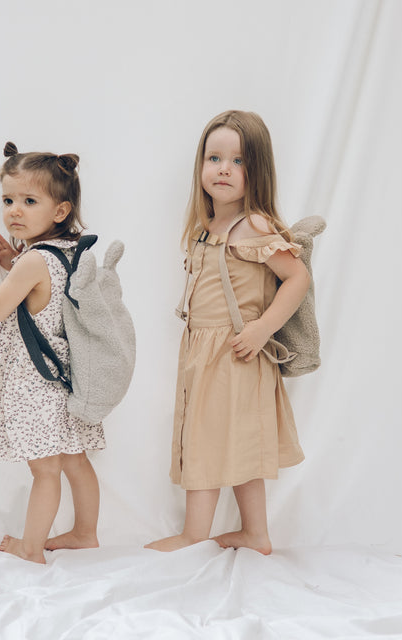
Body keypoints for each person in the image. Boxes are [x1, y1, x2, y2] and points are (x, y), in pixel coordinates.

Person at [146, 111, 310, 554]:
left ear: (257, 172)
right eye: (214, 157)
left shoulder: (253, 226)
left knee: (205, 440)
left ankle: (194, 534)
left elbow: (297, 279)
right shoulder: (206, 228)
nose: (223, 168)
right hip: (204, 351)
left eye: (237, 161)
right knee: (238, 444)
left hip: (236, 352)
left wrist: (261, 328)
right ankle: (256, 534)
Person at [0, 142, 105, 564]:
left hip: (35, 385)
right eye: (9, 200)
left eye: (30, 201)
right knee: (75, 462)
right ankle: (85, 534)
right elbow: (43, 292)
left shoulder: (32, 262)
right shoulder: (68, 251)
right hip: (63, 379)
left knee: (44, 471)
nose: (15, 210)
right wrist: (17, 260)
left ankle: (31, 549)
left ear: (60, 210)